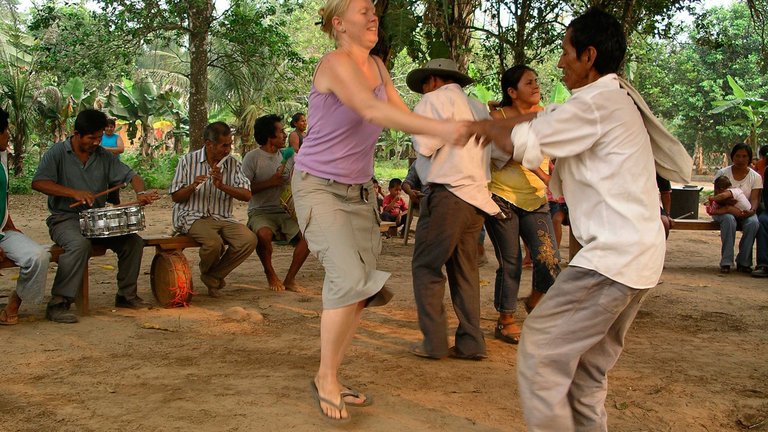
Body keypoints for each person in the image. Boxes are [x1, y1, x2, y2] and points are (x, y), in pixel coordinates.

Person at [468, 8, 690, 431]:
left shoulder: (596, 103)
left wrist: (469, 128)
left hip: (613, 258)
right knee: (586, 372)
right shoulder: (609, 98)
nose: (558, 62)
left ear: (588, 55)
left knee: (540, 351)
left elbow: (523, 138)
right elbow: (538, 121)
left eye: (566, 51)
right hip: (637, 258)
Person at [292, 0, 470, 422]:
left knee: (361, 291)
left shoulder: (378, 66)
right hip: (319, 187)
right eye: (362, 10)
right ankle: (325, 378)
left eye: (374, 9)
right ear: (339, 23)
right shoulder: (335, 63)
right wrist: (447, 128)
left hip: (359, 195)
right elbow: (372, 110)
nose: (373, 16)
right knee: (349, 279)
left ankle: (330, 375)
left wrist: (455, 131)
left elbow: (401, 116)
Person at [405, 57, 503, 361]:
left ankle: (433, 342)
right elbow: (496, 153)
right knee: (465, 272)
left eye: (424, 85)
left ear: (434, 80)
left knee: (426, 267)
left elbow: (424, 145)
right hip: (476, 199)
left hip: (448, 194)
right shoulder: (477, 107)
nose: (423, 91)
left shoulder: (434, 100)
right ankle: (471, 342)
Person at [32, 109, 159, 323]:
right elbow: (38, 183)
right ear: (76, 134)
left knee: (133, 242)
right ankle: (59, 303)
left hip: (98, 220)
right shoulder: (57, 153)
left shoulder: (104, 156)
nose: (96, 142)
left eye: (99, 138)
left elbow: (132, 176)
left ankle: (126, 296)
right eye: (91, 138)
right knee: (79, 245)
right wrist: (73, 192)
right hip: (65, 218)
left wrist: (141, 193)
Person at [484, 64, 561, 345]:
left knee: (549, 258)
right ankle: (505, 319)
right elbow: (509, 152)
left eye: (536, 81)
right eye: (529, 82)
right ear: (512, 91)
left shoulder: (546, 116)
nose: (536, 86)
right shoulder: (497, 117)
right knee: (511, 261)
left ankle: (534, 299)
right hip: (501, 196)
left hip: (536, 198)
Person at [170, 122, 257, 297]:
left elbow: (247, 195)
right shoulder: (187, 161)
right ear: (209, 144)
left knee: (249, 240)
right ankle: (212, 276)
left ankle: (212, 275)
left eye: (230, 144)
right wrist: (193, 186)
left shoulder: (233, 164)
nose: (228, 150)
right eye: (224, 145)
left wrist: (222, 186)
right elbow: (176, 197)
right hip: (192, 216)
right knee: (213, 243)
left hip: (223, 217)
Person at [242, 114, 309, 292]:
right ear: (269, 136)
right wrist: (270, 182)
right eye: (281, 132)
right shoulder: (252, 158)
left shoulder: (290, 157)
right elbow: (244, 191)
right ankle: (270, 273)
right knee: (263, 235)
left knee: (309, 236)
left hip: (284, 211)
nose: (285, 135)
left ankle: (290, 278)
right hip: (260, 211)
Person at [0, 107, 50, 325]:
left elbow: (3, 195)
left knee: (39, 256)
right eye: (4, 131)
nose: (8, 134)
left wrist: (9, 224)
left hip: (2, 232)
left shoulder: (2, 155)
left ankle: (13, 303)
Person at [711, 143, 760, 273]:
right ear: (733, 157)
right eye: (738, 156)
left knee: (753, 223)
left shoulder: (755, 177)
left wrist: (752, 210)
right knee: (728, 220)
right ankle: (726, 261)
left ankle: (744, 262)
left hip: (745, 210)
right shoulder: (722, 173)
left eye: (744, 156)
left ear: (749, 158)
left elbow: (755, 199)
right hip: (724, 209)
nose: (741, 159)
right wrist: (728, 202)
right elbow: (716, 195)